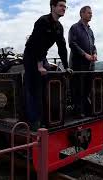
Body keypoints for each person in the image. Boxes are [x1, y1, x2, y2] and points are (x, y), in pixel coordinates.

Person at [23, 0, 72, 129]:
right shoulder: (42, 21)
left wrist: (66, 66)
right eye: (61, 6)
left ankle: (46, 117)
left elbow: (62, 48)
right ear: (53, 7)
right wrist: (39, 65)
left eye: (65, 6)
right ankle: (34, 121)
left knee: (47, 82)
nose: (64, 8)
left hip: (41, 55)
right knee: (33, 87)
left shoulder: (59, 27)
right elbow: (38, 44)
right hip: (31, 55)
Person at [68, 6, 97, 117]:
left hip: (89, 65)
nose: (91, 14)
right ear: (82, 13)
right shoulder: (74, 28)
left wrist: (94, 54)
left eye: (91, 13)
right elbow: (72, 44)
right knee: (78, 88)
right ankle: (78, 111)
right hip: (78, 65)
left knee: (87, 88)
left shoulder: (90, 30)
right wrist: (85, 55)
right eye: (89, 13)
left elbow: (93, 45)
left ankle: (86, 109)